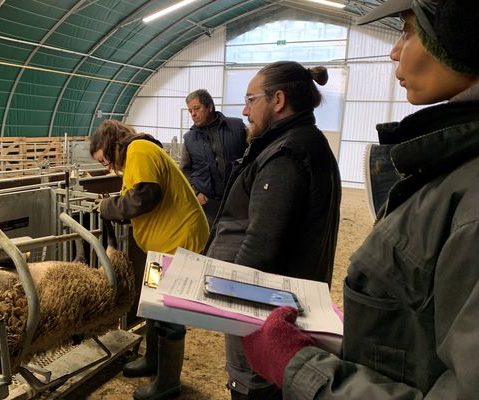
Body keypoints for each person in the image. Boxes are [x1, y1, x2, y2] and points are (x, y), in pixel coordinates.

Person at [240, 0, 479, 399]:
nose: (395, 50)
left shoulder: (470, 198)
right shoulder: (452, 165)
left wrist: (300, 368)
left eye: (407, 29)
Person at [205, 61, 342, 399]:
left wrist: (224, 293)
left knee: (255, 383)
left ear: (277, 100)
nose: (244, 109)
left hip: (263, 309)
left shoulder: (286, 154)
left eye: (251, 100)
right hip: (275, 303)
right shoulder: (298, 142)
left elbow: (261, 246)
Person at [89, 119, 209, 400]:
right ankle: (153, 361)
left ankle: (167, 383)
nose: (108, 167)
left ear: (110, 144)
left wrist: (108, 206)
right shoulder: (135, 156)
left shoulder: (139, 150)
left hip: (178, 242)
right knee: (154, 302)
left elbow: (144, 197)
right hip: (162, 245)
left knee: (169, 311)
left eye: (104, 160)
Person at [181, 89, 248, 225]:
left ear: (210, 107)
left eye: (197, 108)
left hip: (238, 202)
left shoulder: (237, 127)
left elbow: (253, 158)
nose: (193, 114)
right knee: (206, 242)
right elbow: (185, 171)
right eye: (190, 111)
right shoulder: (189, 138)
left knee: (234, 241)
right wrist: (196, 193)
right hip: (207, 206)